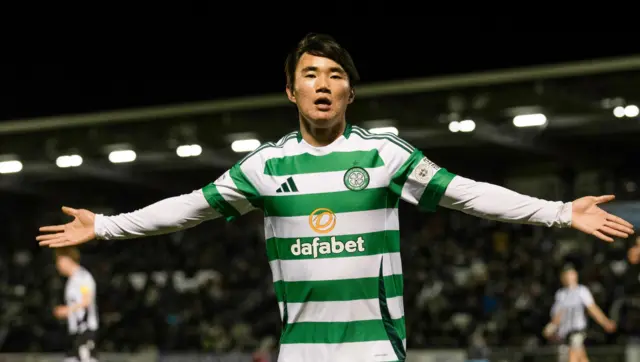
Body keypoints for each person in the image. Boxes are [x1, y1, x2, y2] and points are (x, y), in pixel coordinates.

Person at [37, 33, 635, 362]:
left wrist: (560, 210)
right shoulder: (266, 166)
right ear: (291, 92)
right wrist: (108, 226)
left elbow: (467, 195)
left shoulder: (385, 156)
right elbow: (191, 205)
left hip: (377, 348)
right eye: (310, 75)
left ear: (351, 92)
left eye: (335, 75)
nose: (323, 85)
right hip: (300, 351)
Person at [543, 265, 616, 362]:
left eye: (571, 274)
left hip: (577, 332)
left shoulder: (581, 291)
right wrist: (551, 327)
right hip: (564, 335)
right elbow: (558, 314)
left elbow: (592, 308)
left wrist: (605, 322)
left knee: (573, 357)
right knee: (581, 358)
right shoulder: (560, 294)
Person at [53, 247, 99, 362]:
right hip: (75, 332)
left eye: (58, 261)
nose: (57, 265)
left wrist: (67, 310)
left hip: (85, 330)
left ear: (66, 259)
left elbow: (87, 300)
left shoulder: (82, 277)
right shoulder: (73, 279)